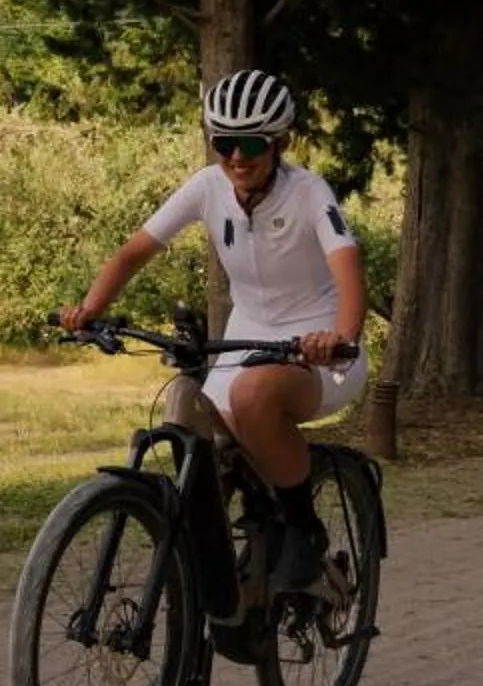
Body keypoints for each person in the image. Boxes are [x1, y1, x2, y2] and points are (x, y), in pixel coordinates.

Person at [61, 70, 367, 590]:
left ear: (280, 143)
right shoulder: (208, 187)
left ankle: (302, 527)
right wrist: (90, 309)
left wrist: (340, 337)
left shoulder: (309, 192)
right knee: (198, 435)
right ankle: (225, 585)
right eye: (224, 143)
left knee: (251, 396)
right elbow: (134, 252)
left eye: (252, 144)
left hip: (317, 345)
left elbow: (348, 267)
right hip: (246, 338)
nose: (237, 157)